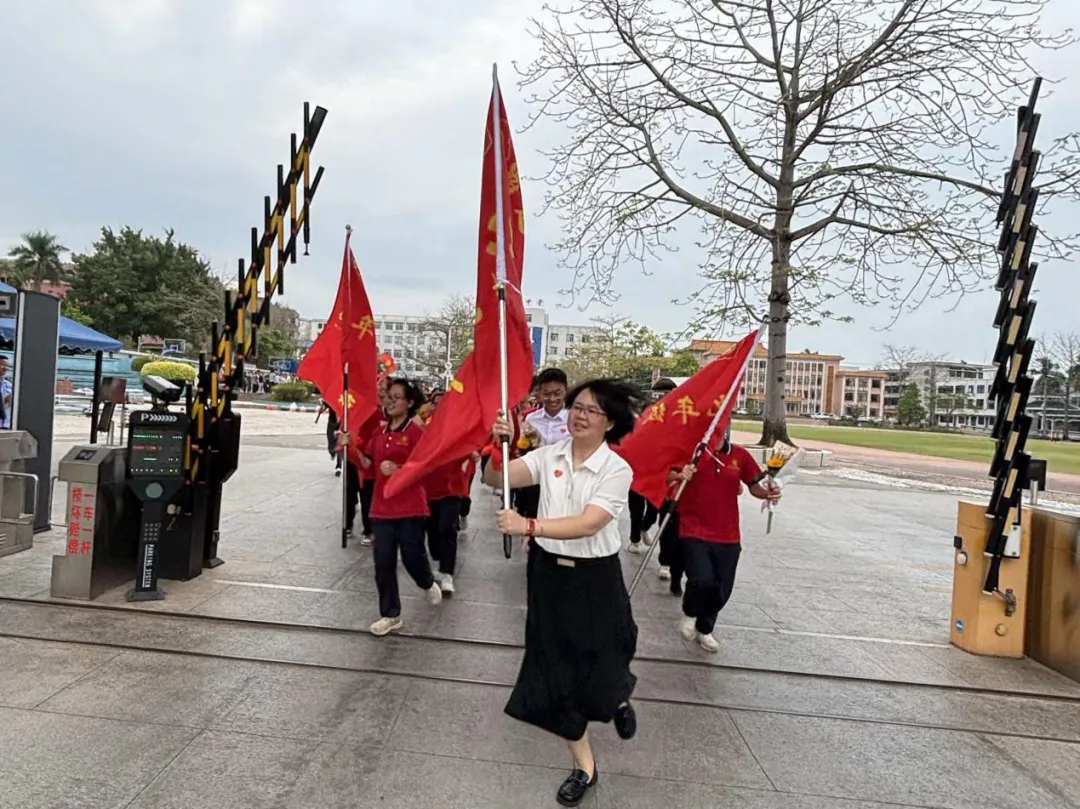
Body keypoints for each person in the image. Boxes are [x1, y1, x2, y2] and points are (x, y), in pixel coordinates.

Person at [485, 378, 642, 808]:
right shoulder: (548, 454)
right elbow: (496, 479)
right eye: (577, 406)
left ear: (609, 422)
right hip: (549, 575)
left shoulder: (616, 469)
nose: (579, 414)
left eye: (591, 410)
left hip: (595, 576)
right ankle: (585, 767)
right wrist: (497, 447)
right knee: (558, 671)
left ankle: (616, 696)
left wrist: (529, 525)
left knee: (611, 651)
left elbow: (590, 522)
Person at [343, 378, 442, 636]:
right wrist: (349, 446)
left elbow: (427, 469)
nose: (390, 401)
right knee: (383, 562)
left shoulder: (417, 434)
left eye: (396, 397)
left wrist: (399, 470)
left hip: (410, 508)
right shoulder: (380, 433)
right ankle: (390, 614)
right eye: (388, 396)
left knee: (412, 558)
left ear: (409, 403)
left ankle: (427, 581)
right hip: (381, 508)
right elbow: (366, 463)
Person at [669, 427, 781, 652]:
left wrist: (770, 493)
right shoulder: (691, 453)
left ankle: (705, 627)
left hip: (728, 534)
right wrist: (680, 475)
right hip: (694, 528)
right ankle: (690, 611)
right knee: (701, 579)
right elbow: (666, 474)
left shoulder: (739, 455)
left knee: (722, 589)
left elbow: (754, 486)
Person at [515, 368, 569, 519]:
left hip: (565, 481)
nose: (552, 398)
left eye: (557, 393)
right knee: (534, 518)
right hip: (537, 482)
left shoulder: (573, 418)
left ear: (566, 390)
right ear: (539, 393)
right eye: (546, 393)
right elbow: (524, 448)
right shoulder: (532, 419)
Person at [315, 399, 342, 476]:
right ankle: (332, 453)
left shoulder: (345, 397)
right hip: (332, 424)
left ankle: (338, 466)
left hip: (342, 424)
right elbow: (323, 409)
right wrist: (321, 408)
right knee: (331, 446)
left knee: (340, 445)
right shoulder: (331, 397)